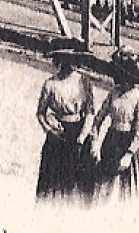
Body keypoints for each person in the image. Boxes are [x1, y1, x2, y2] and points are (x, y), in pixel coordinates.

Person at [35, 38, 96, 202]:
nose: (72, 64)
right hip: (58, 136)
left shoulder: (85, 82)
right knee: (53, 181)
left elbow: (90, 113)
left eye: (75, 59)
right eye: (67, 59)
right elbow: (40, 113)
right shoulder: (51, 84)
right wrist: (49, 130)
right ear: (59, 60)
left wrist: (82, 137)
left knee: (77, 182)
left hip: (79, 134)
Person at [88, 48, 139, 201]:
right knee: (104, 188)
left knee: (128, 191)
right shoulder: (114, 93)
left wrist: (128, 155)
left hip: (129, 146)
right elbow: (97, 120)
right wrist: (95, 144)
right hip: (111, 142)